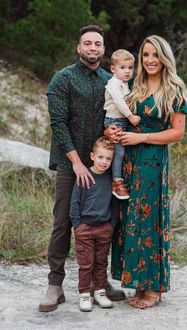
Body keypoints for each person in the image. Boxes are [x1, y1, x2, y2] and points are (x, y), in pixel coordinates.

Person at [38, 25, 125, 313]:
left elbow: (112, 115)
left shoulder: (109, 80)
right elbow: (58, 124)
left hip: (101, 166)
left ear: (103, 49)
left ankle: (100, 282)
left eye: (97, 44)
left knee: (103, 222)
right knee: (63, 221)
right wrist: (76, 163)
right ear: (78, 48)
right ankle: (55, 284)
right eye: (87, 43)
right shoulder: (63, 78)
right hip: (69, 164)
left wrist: (111, 130)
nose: (92, 48)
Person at [111, 35, 187, 309]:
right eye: (145, 54)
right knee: (131, 219)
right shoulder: (136, 86)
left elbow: (177, 132)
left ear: (164, 57)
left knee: (150, 220)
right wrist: (116, 132)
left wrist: (141, 139)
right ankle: (139, 284)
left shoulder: (175, 89)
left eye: (154, 54)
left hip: (153, 162)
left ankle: (155, 288)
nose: (149, 60)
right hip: (130, 160)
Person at [70, 136, 117, 312]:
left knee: (101, 262)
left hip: (104, 228)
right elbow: (75, 203)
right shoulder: (84, 175)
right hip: (85, 228)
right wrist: (78, 226)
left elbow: (114, 203)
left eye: (108, 158)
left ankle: (99, 291)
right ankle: (84, 294)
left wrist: (111, 225)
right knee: (86, 263)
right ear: (92, 156)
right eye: (100, 157)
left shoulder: (110, 178)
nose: (104, 162)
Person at [103, 49, 140, 200]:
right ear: (113, 69)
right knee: (119, 152)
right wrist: (131, 116)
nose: (127, 71)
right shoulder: (113, 84)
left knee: (123, 152)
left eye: (130, 68)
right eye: (123, 68)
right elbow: (119, 102)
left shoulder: (124, 84)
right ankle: (117, 181)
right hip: (114, 121)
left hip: (121, 120)